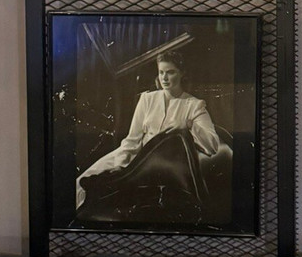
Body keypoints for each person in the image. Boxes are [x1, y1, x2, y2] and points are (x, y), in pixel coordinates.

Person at [76, 50, 220, 208]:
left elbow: (213, 145)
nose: (164, 78)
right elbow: (132, 141)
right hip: (135, 158)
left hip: (165, 170)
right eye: (161, 72)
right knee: (82, 182)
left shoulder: (194, 105)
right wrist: (121, 164)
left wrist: (189, 125)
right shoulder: (147, 99)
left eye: (170, 72)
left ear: (182, 73)